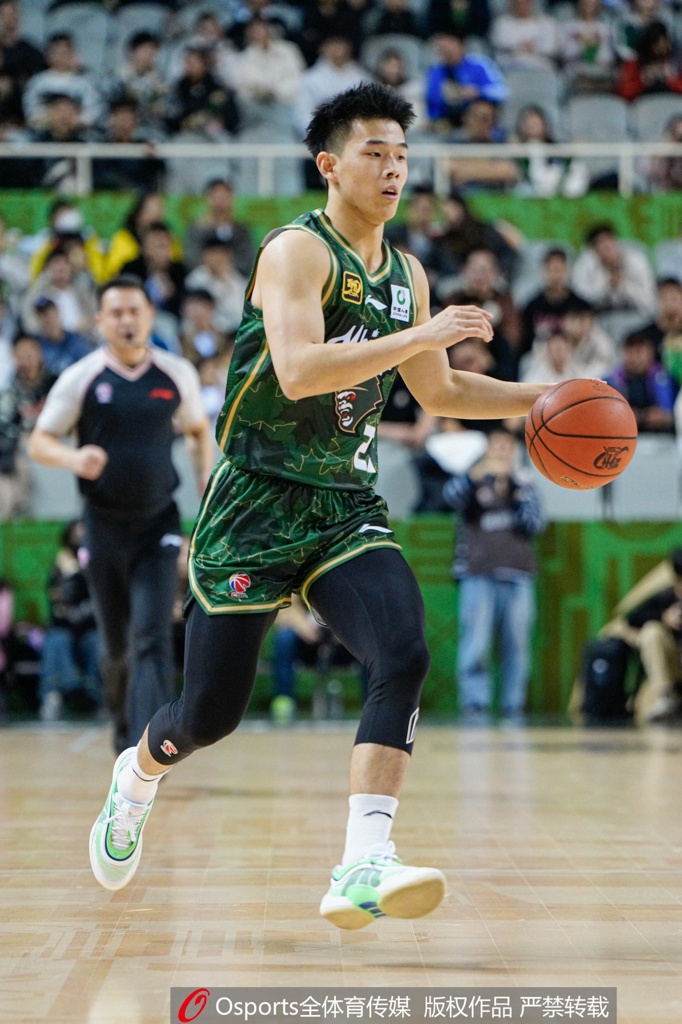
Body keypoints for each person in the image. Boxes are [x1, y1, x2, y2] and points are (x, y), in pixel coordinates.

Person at [84, 83, 550, 928]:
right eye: (375, 154)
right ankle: (138, 775)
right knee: (209, 715)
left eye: (402, 156)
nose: (393, 170)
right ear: (330, 164)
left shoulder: (406, 275)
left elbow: (439, 390)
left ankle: (363, 862)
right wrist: (420, 336)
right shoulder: (295, 252)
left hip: (343, 501)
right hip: (254, 503)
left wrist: (544, 398)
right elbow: (299, 370)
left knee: (402, 651)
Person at [27, 274, 214, 755]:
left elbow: (198, 429)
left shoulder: (176, 373)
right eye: (117, 312)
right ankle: (121, 723)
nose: (127, 320)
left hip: (158, 525)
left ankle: (145, 751)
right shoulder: (82, 377)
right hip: (103, 526)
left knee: (152, 635)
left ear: (150, 317)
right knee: (117, 647)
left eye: (135, 311)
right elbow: (39, 441)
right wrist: (74, 458)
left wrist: (205, 477)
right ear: (100, 320)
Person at [443, 426, 546, 722]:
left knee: (517, 644)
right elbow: (449, 499)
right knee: (475, 643)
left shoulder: (524, 485)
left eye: (507, 448)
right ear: (486, 451)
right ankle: (474, 703)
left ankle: (514, 703)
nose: (502, 454)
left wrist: (515, 490)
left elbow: (535, 524)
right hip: (478, 573)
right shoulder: (471, 481)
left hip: (517, 574)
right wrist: (474, 477)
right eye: (497, 447)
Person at [38, 519, 101, 722]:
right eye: (75, 536)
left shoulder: (95, 565)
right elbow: (56, 605)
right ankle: (56, 694)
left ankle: (95, 696)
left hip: (89, 629)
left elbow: (98, 605)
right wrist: (68, 578)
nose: (79, 540)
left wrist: (81, 574)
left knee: (97, 642)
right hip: (65, 628)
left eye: (83, 536)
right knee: (57, 640)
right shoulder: (59, 567)